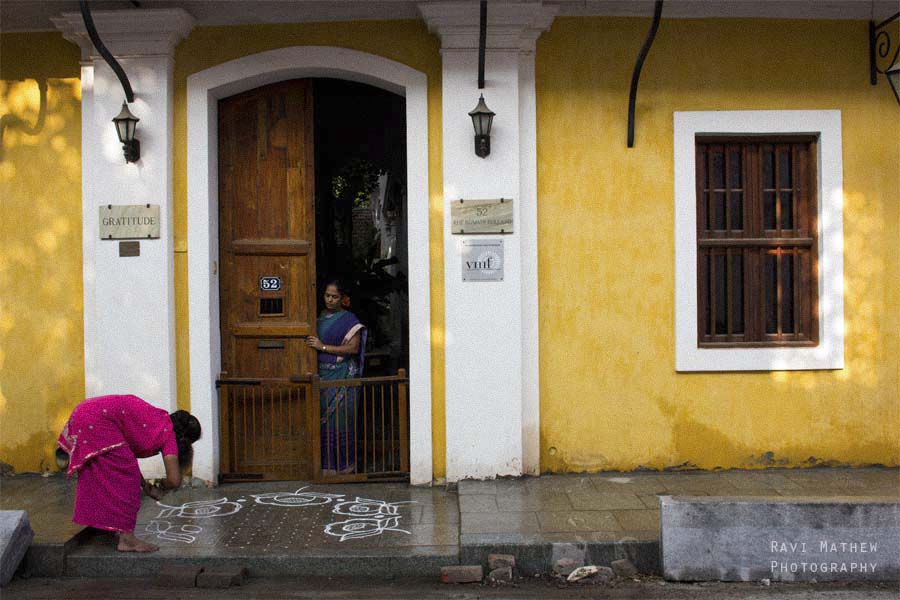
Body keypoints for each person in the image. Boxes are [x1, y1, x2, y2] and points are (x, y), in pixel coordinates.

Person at [57, 395, 201, 552]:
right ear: (185, 440)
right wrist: (161, 485)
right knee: (127, 478)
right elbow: (174, 480)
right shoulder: (169, 434)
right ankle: (127, 540)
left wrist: (146, 486)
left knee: (100, 474)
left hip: (85, 411)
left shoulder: (158, 419)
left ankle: (104, 526)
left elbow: (129, 458)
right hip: (98, 420)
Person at [304, 279, 367, 475]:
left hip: (342, 377)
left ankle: (343, 467)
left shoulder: (349, 320)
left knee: (340, 421)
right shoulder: (317, 318)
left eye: (334, 297)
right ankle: (322, 466)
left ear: (343, 299)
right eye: (327, 295)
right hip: (321, 376)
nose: (329, 300)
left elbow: (353, 348)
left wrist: (322, 347)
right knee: (320, 420)